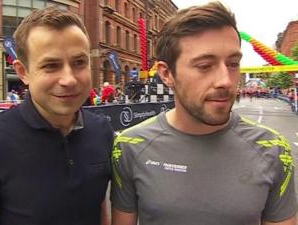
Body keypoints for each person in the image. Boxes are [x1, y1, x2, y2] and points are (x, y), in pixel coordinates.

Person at [111, 2, 297, 225]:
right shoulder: (130, 145)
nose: (225, 81)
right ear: (167, 74)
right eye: (204, 66)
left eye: (233, 64)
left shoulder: (274, 149)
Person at [0, 7, 113, 225]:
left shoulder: (101, 130)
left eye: (79, 62)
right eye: (51, 65)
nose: (68, 79)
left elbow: (98, 207)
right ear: (23, 72)